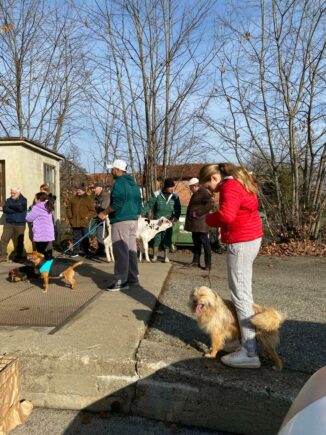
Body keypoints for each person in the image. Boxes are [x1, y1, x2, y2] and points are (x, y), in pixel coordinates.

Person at [199, 163, 263, 369]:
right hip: (250, 238)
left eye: (208, 186)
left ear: (214, 178)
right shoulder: (240, 181)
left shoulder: (229, 186)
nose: (210, 191)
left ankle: (249, 351)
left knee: (240, 296)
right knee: (244, 294)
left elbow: (227, 215)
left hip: (241, 241)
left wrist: (208, 219)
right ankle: (244, 341)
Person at [98, 159, 142, 291]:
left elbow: (117, 203)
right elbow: (139, 203)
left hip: (121, 220)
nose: (111, 171)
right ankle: (133, 278)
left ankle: (120, 281)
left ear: (117, 170)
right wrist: (136, 214)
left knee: (121, 251)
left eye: (112, 169)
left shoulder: (118, 183)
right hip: (133, 220)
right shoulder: (134, 185)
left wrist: (104, 213)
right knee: (131, 250)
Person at [141, 178, 181, 263]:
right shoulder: (156, 194)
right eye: (170, 187)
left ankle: (166, 257)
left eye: (173, 187)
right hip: (158, 220)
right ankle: (155, 256)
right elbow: (149, 205)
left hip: (169, 220)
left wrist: (175, 217)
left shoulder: (175, 196)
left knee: (168, 237)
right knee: (157, 237)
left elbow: (178, 209)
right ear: (166, 187)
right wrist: (141, 214)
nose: (172, 189)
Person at [184, 177, 213, 270]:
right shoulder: (197, 193)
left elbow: (210, 204)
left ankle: (208, 264)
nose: (190, 189)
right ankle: (196, 261)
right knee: (196, 243)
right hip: (195, 224)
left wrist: (198, 212)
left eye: (191, 187)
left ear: (195, 186)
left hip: (201, 224)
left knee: (205, 244)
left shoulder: (203, 192)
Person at [66, 183, 97, 257]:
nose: (78, 191)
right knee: (76, 237)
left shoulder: (88, 199)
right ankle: (76, 251)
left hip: (84, 222)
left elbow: (93, 211)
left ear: (83, 190)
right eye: (77, 190)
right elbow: (68, 208)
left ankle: (86, 251)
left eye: (80, 190)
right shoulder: (73, 199)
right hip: (75, 221)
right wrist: (70, 216)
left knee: (85, 237)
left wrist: (86, 217)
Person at [0, 188, 27, 262]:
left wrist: (11, 207)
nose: (12, 194)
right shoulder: (8, 200)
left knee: (19, 241)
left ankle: (21, 256)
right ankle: (3, 256)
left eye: (14, 193)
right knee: (4, 239)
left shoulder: (24, 200)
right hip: (9, 223)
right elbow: (5, 209)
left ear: (18, 193)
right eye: (11, 193)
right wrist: (15, 208)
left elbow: (21, 208)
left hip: (20, 224)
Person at [26, 192, 55, 259]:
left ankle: (42, 267)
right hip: (48, 233)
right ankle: (50, 266)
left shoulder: (37, 207)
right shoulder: (48, 206)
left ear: (39, 200)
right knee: (48, 252)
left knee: (40, 253)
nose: (34, 200)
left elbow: (29, 219)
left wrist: (27, 213)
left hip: (40, 234)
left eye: (35, 198)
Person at [93, 182, 111, 256]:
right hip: (99, 217)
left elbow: (104, 207)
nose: (94, 190)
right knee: (99, 234)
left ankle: (103, 250)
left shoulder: (106, 196)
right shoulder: (96, 197)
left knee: (102, 234)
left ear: (100, 188)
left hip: (105, 218)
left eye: (95, 189)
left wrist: (96, 206)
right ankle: (101, 249)